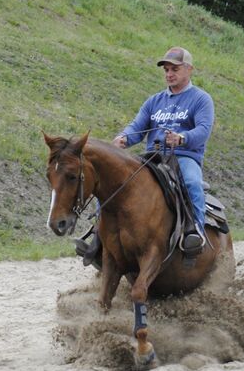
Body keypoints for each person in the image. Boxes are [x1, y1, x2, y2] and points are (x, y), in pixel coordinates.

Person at [77, 46, 215, 266]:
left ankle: (195, 232)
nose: (169, 74)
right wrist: (124, 138)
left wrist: (181, 138)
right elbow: (137, 126)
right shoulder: (154, 101)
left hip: (184, 156)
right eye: (167, 69)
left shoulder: (201, 99)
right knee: (109, 183)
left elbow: (203, 130)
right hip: (152, 157)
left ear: (189, 70)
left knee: (192, 182)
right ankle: (98, 237)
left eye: (175, 69)